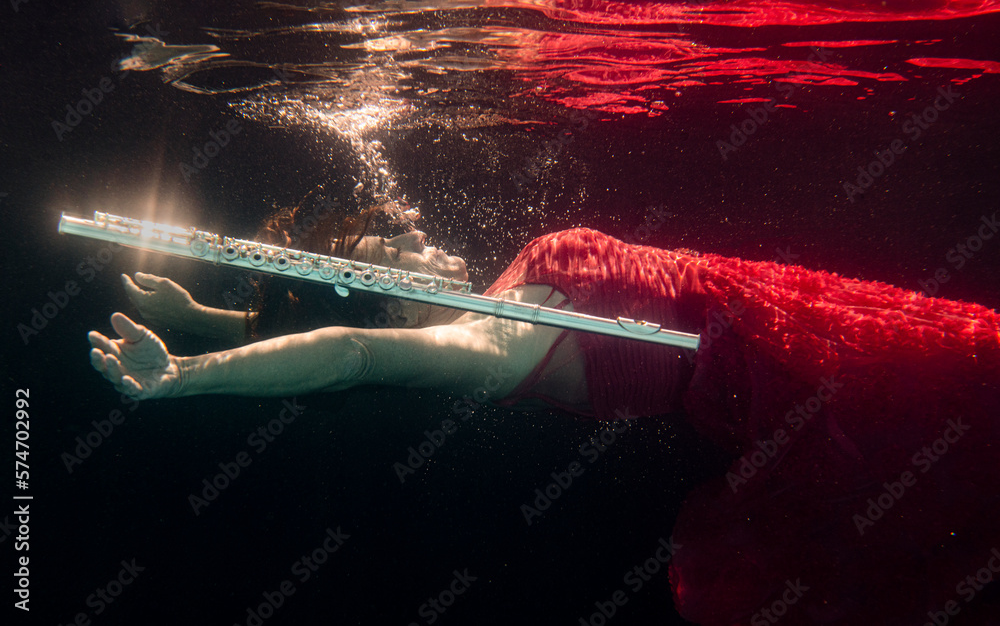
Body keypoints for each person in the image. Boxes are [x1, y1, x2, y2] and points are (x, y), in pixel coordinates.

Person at [87, 195, 1000, 625]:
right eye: (389, 237)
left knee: (973, 352)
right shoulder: (481, 344)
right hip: (782, 374)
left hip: (780, 310)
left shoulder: (499, 297)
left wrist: (205, 313)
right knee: (973, 384)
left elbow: (338, 309)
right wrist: (186, 377)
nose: (408, 221)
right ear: (393, 295)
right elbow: (351, 347)